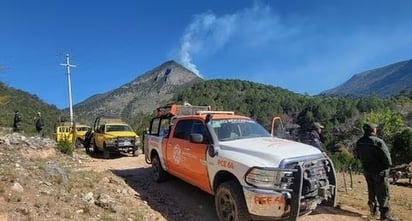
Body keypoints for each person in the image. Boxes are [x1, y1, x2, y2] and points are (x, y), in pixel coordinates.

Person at [354, 123, 398, 221]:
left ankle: (373, 212)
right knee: (383, 193)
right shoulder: (378, 142)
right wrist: (386, 167)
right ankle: (385, 216)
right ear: (373, 130)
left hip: (367, 170)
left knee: (371, 190)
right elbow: (388, 160)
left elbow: (357, 155)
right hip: (379, 171)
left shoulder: (360, 142)